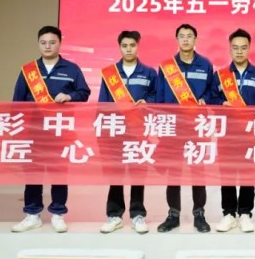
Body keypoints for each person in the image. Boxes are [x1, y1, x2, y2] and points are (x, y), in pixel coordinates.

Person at [11, 25, 91, 233]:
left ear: (60, 43)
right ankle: (32, 214)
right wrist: (17, 129)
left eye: (52, 42)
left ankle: (58, 213)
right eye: (43, 43)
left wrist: (70, 96)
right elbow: (17, 102)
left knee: (59, 173)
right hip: (34, 131)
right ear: (38, 44)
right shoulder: (29, 70)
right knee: (33, 174)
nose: (47, 46)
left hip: (60, 131)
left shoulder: (72, 69)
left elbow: (84, 92)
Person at [211, 28, 255, 233]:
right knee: (227, 174)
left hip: (251, 134)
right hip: (227, 133)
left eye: (243, 47)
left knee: (248, 175)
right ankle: (229, 213)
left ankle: (245, 213)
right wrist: (221, 103)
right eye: (235, 48)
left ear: (249, 48)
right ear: (230, 49)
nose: (239, 51)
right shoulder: (220, 76)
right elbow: (211, 100)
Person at [156, 23, 213, 233]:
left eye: (190, 36)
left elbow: (212, 91)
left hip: (196, 126)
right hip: (173, 126)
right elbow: (159, 97)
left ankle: (199, 214)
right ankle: (173, 215)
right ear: (177, 40)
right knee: (173, 172)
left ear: (195, 40)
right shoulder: (166, 67)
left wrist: (205, 98)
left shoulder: (205, 65)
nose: (186, 39)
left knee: (198, 171)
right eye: (182, 36)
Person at [98, 30, 157, 234]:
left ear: (137, 46)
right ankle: (114, 215)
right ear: (120, 47)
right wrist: (102, 130)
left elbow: (157, 97)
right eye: (125, 46)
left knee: (138, 173)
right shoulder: (110, 74)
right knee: (116, 174)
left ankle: (137, 214)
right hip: (115, 131)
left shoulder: (149, 73)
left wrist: (147, 102)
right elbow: (103, 103)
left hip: (138, 130)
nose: (128, 49)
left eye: (132, 45)